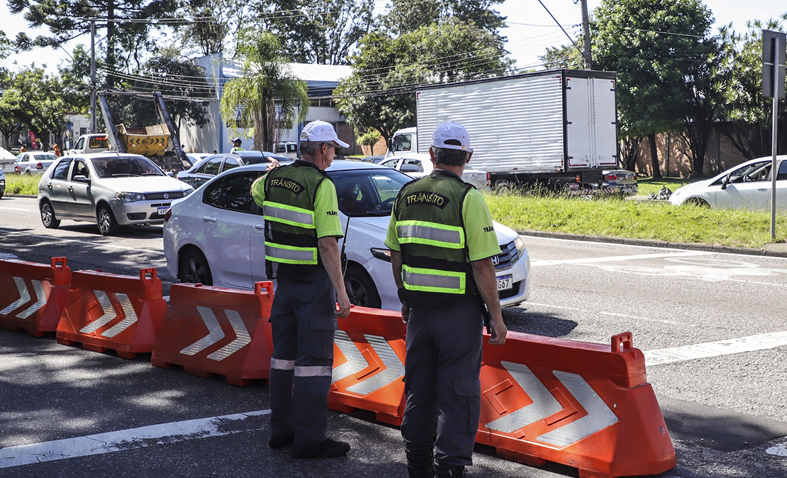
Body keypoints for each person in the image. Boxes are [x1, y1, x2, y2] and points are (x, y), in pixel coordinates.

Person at [385, 121, 508, 478]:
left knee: (419, 389)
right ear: (467, 157)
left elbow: (397, 253)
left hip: (420, 314)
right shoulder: (468, 198)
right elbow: (482, 265)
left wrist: (406, 298)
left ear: (431, 154)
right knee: (457, 393)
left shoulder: (406, 193)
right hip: (458, 315)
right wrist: (497, 317)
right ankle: (451, 468)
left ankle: (417, 467)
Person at [250, 120, 353, 459]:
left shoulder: (273, 179)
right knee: (314, 365)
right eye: (333, 148)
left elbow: (255, 192)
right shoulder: (321, 184)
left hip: (285, 286)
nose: (334, 153)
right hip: (313, 287)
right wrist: (341, 291)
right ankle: (310, 440)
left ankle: (281, 431)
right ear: (322, 150)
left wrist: (271, 172)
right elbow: (327, 245)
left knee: (283, 361)